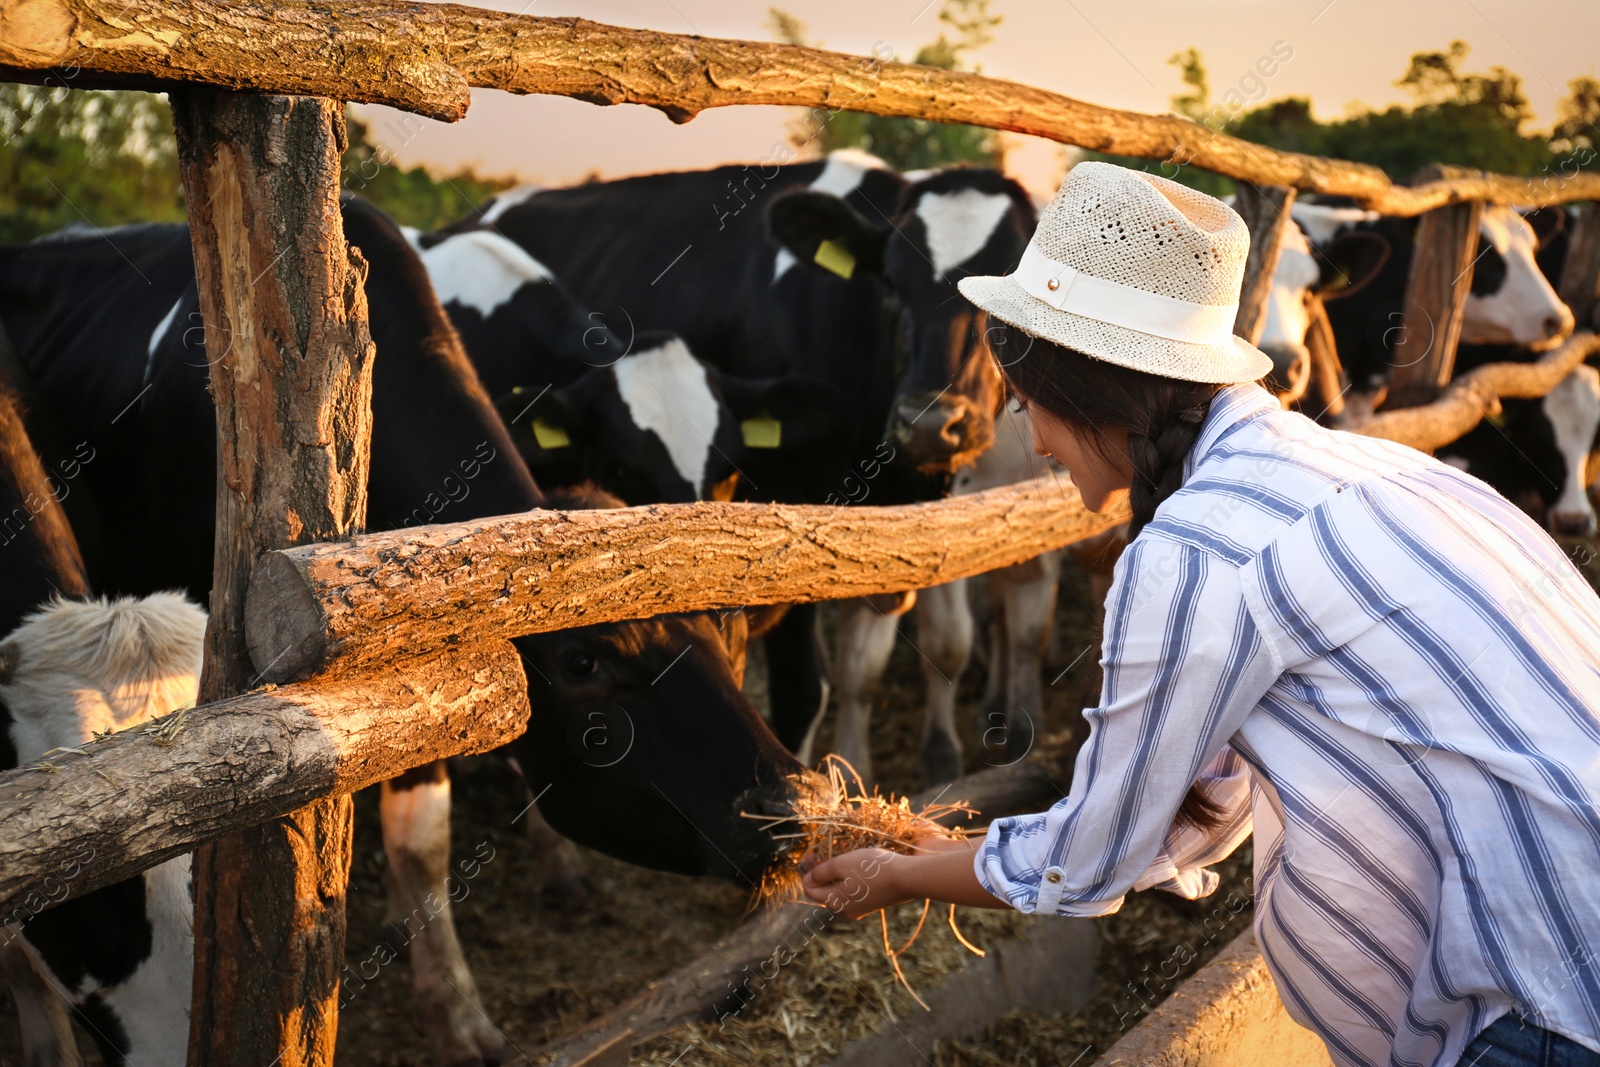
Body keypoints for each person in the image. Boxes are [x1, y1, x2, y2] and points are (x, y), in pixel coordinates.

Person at [802, 162, 1600, 1067]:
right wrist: (955, 847)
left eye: (1026, 404)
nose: (1031, 441)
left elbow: (1092, 855)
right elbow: (1201, 802)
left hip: (1540, 1011)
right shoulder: (1368, 468)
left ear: (1085, 384)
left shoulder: (1201, 546)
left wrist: (903, 875)